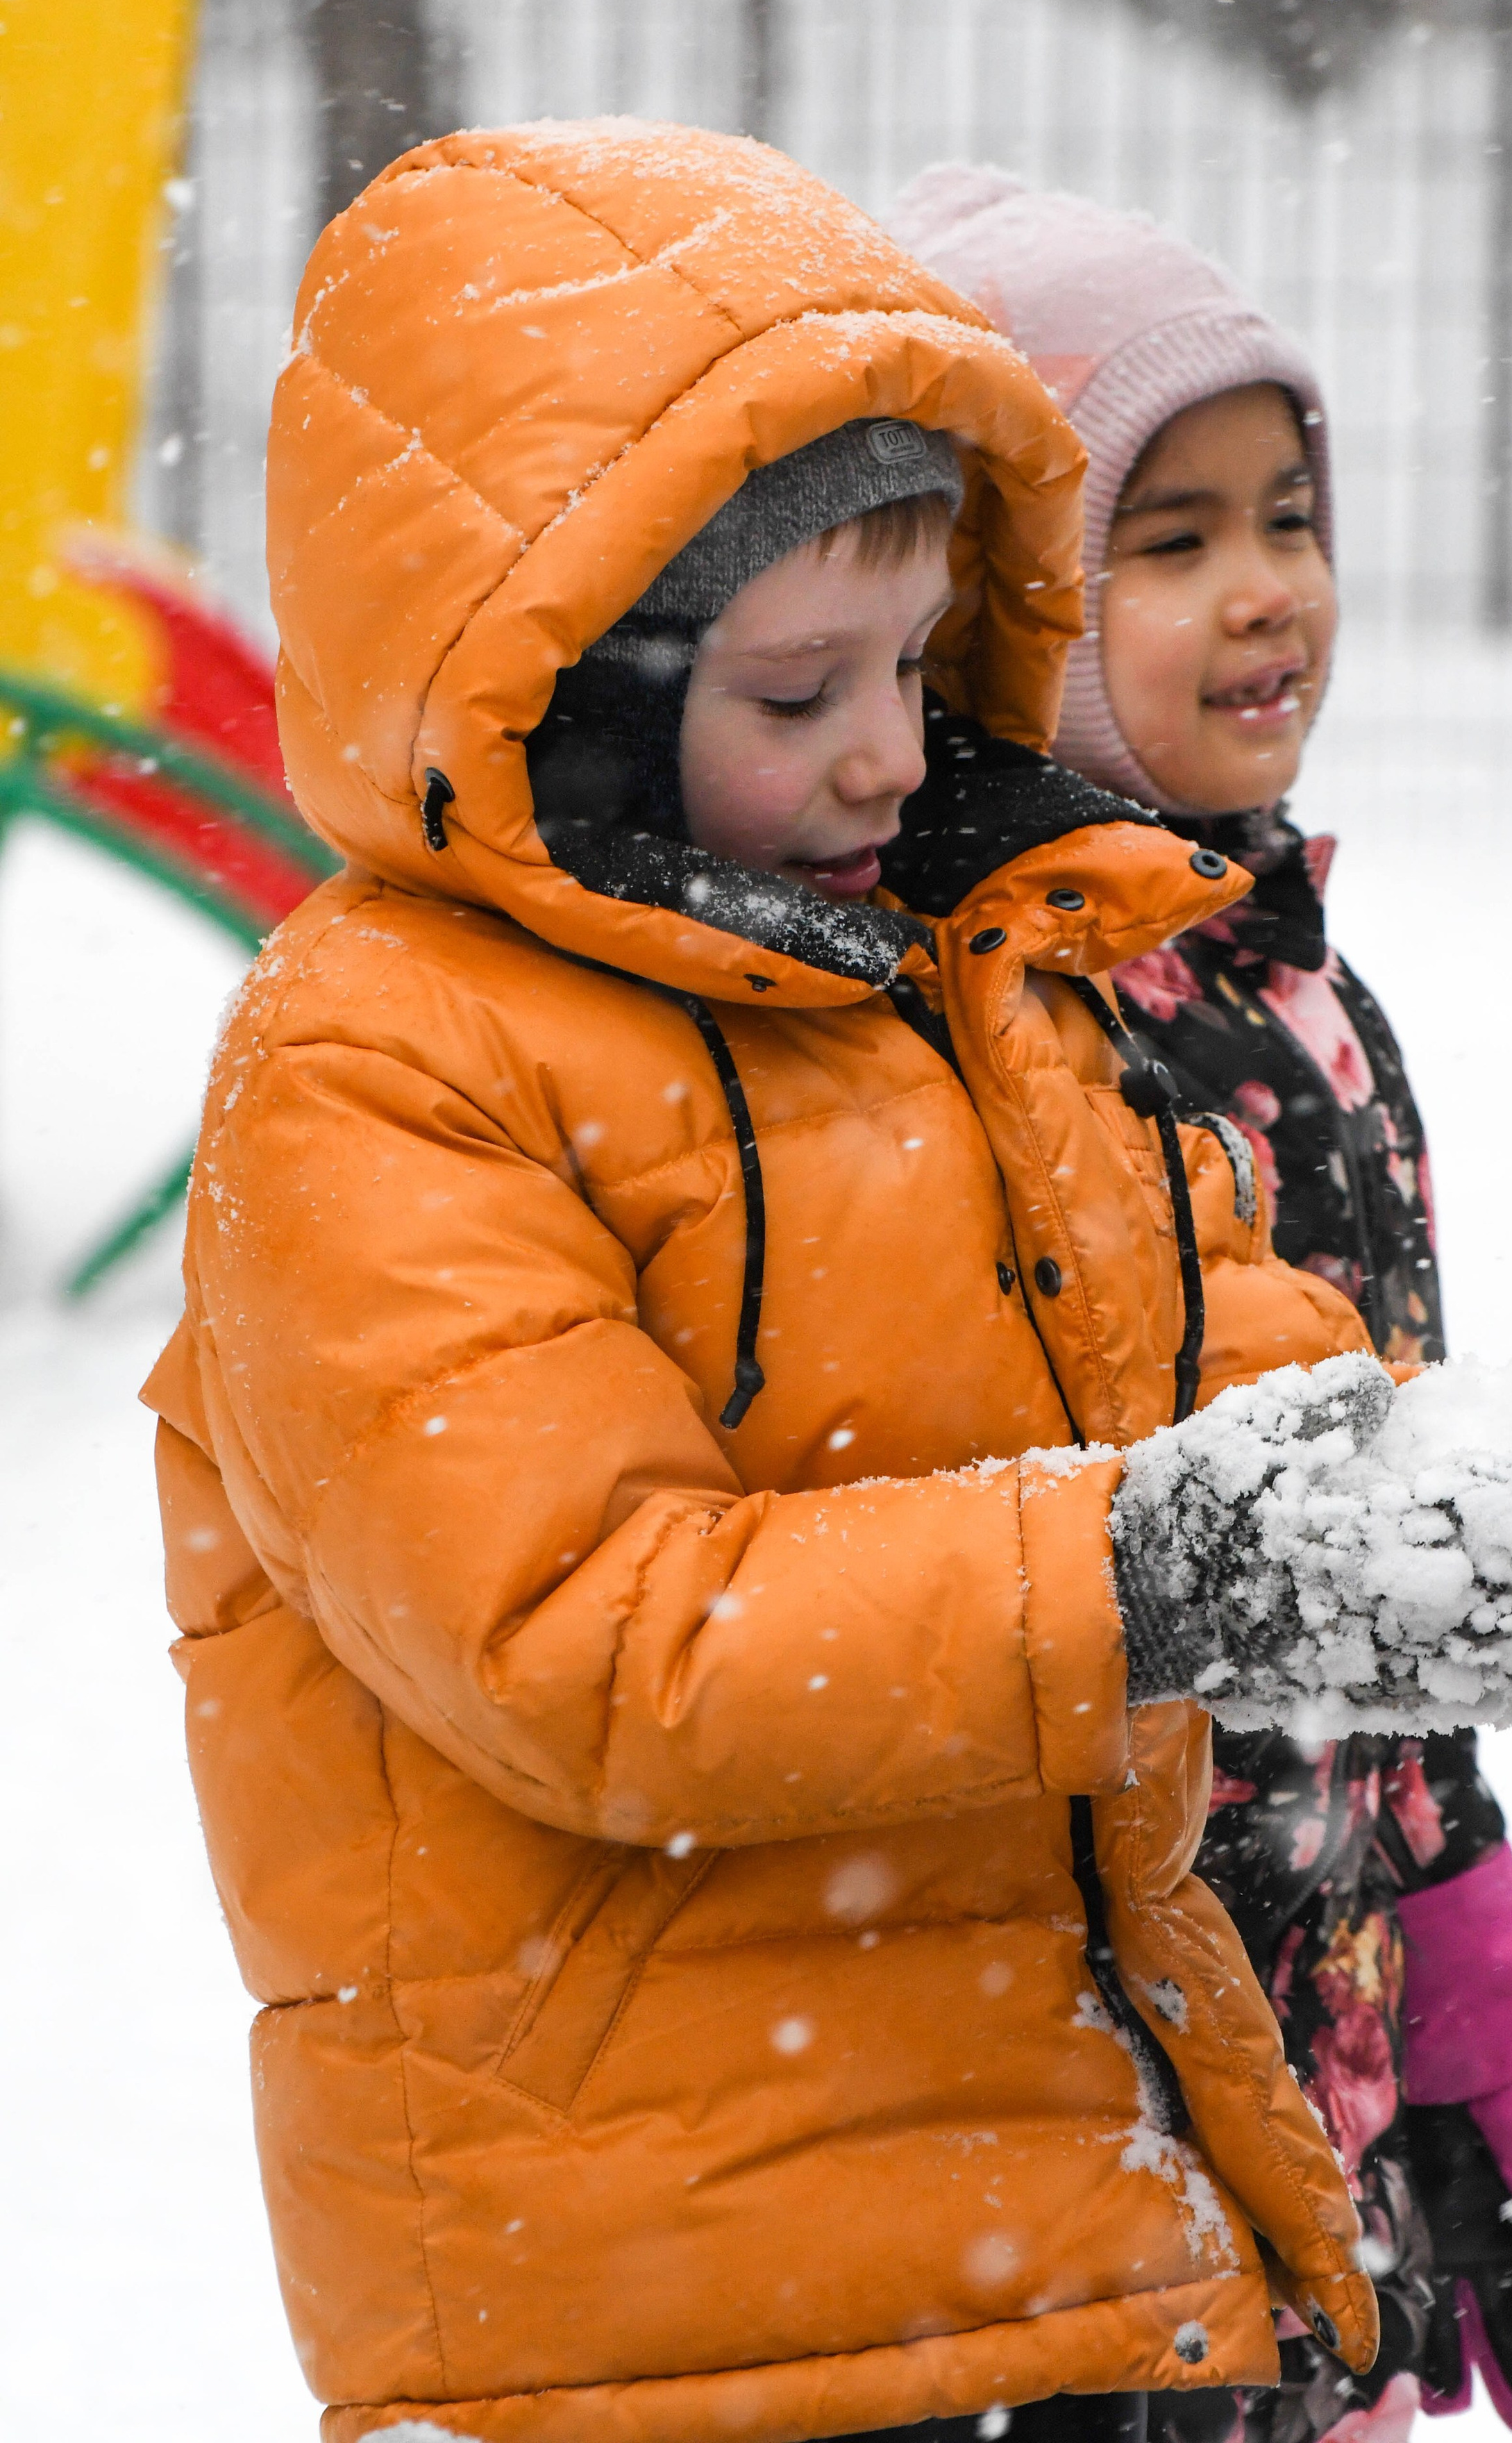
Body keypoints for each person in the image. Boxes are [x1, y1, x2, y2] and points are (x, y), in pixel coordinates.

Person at [146, 118, 1403, 2443]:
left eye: (921, 664)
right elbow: (593, 1640)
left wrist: (1370, 1481)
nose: (890, 756)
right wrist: (1146, 1564)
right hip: (669, 2302)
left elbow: (1149, 1333)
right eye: (798, 687)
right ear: (563, 692)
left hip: (1071, 2199)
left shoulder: (935, 973)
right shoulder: (382, 1069)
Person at [889, 169, 1512, 2443]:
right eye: (1169, 536)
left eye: (1287, 512)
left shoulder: (1300, 996)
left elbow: (1383, 1552)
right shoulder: (964, 1043)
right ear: (998, 606)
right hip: (1072, 2122)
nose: (1266, 591)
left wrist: (1458, 1974)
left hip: (1325, 2043)